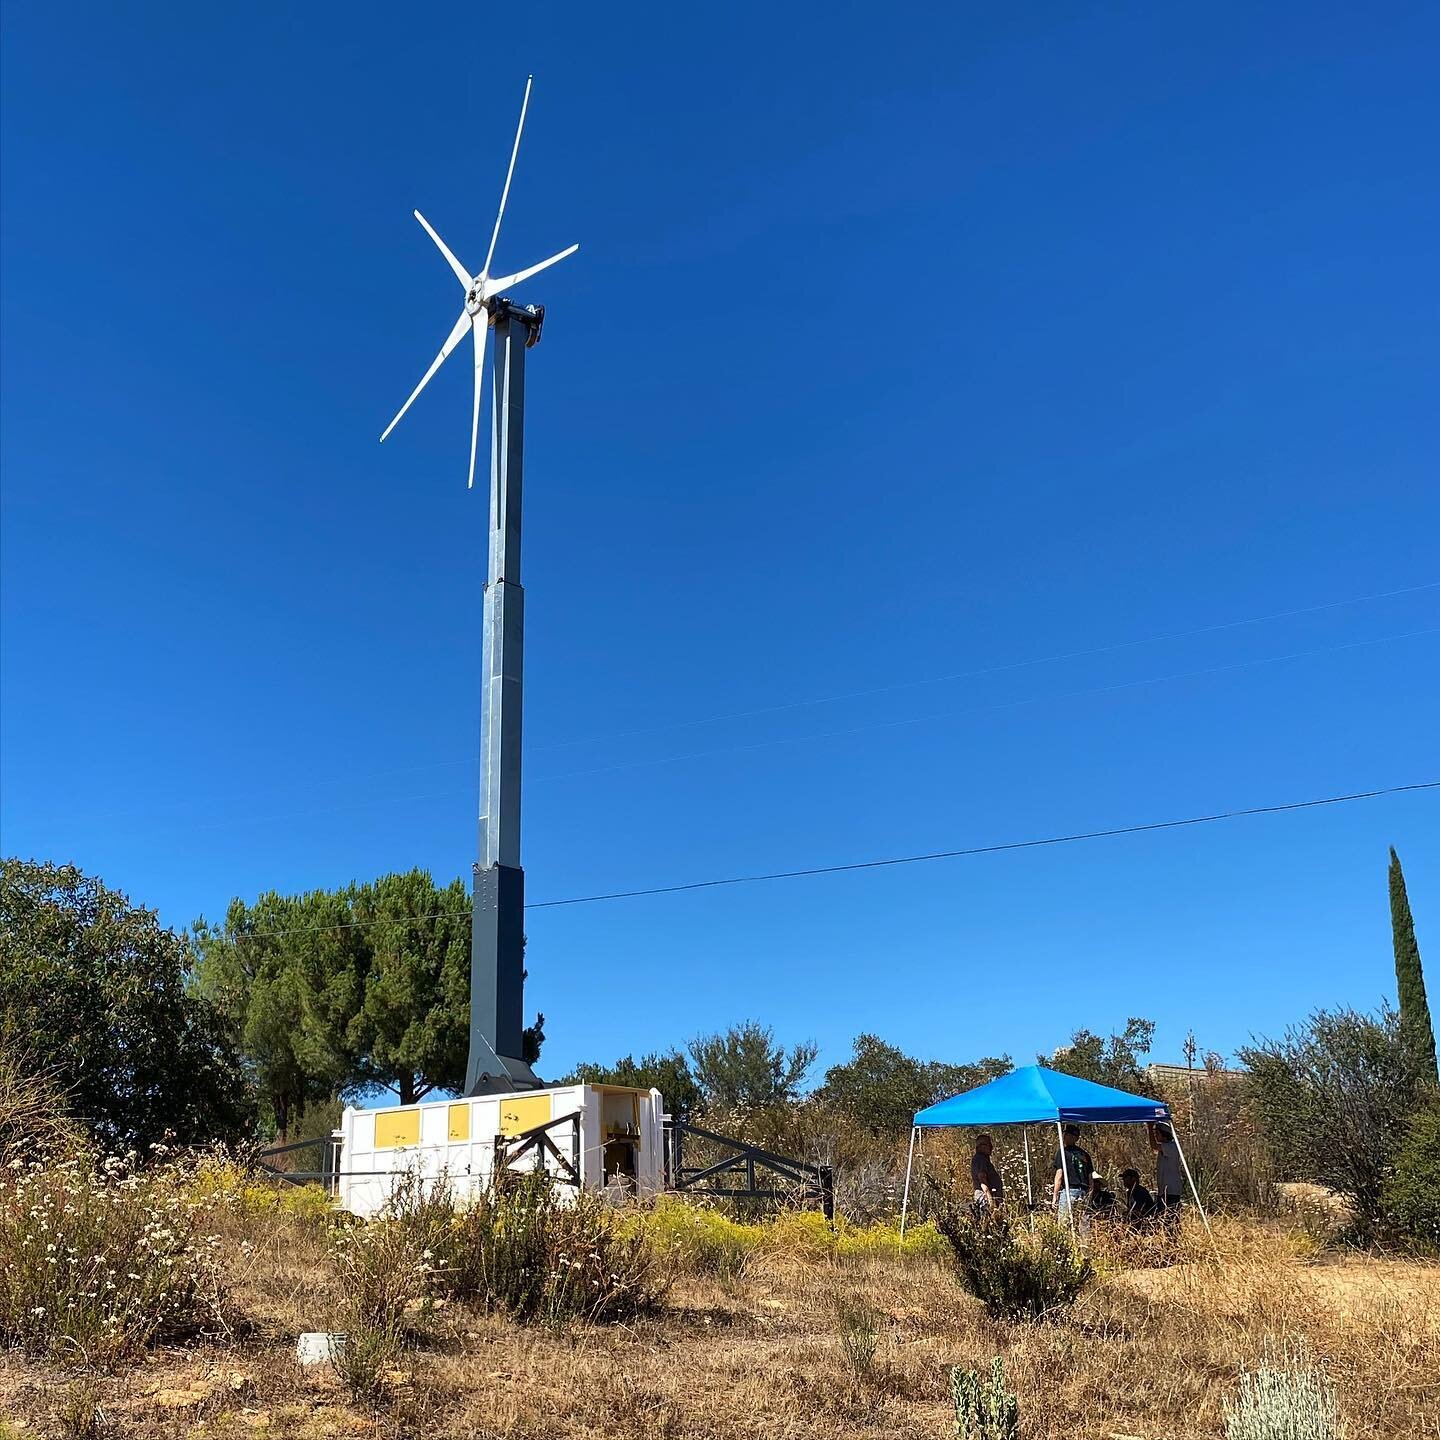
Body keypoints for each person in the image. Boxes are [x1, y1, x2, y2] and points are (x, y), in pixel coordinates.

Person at [1050, 1124, 1094, 1219]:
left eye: (1066, 1134)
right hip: (1084, 1192)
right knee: (1083, 1223)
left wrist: (1055, 1196)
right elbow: (1090, 1177)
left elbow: (1059, 1174)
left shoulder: (1063, 1152)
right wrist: (1090, 1195)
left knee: (1064, 1223)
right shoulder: (1085, 1154)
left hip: (1069, 1191)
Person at [1149, 1121, 1184, 1216]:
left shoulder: (1171, 1147)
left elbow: (1154, 1145)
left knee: (1170, 1218)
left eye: (1157, 1133)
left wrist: (1150, 1126)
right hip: (1164, 1191)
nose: (1156, 1136)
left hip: (1171, 1191)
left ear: (1164, 1134)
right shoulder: (1165, 1147)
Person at [971, 1133, 1004, 1209]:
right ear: (980, 1146)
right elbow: (982, 1180)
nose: (991, 1147)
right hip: (986, 1200)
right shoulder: (980, 1159)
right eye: (988, 1144)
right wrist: (991, 1202)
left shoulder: (983, 1159)